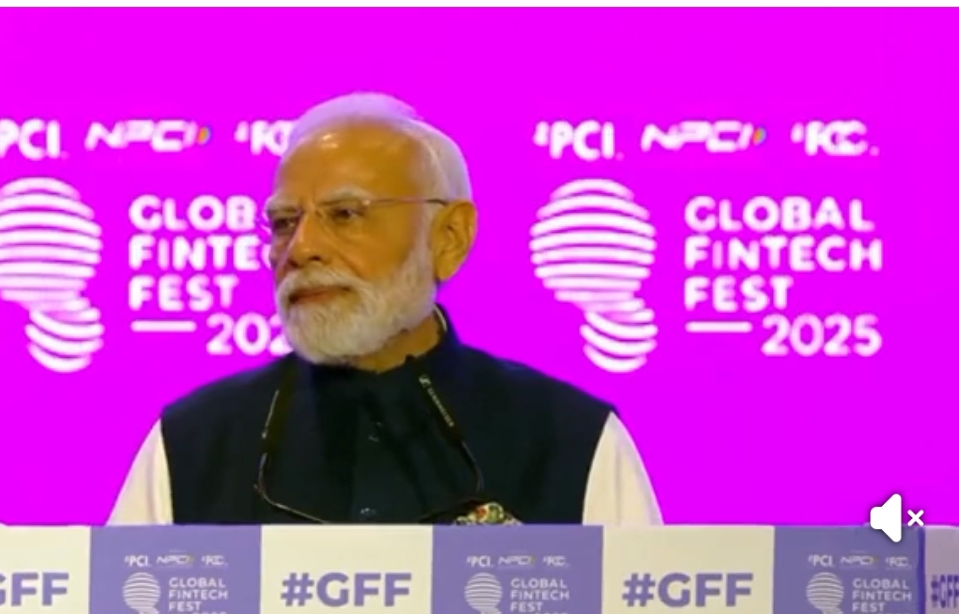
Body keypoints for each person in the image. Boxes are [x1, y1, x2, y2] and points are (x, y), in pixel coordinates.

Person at [108, 92, 662, 526]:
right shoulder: (194, 443)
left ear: (449, 238)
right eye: (283, 222)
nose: (301, 248)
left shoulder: (569, 440)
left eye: (346, 214)